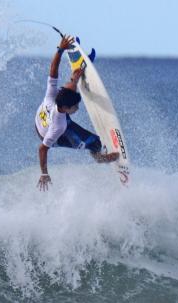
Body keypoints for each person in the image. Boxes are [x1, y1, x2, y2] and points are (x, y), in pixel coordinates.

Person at [35, 35, 119, 191]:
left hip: (44, 117)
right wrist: (44, 173)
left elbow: (53, 71)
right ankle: (100, 157)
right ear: (66, 109)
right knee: (95, 143)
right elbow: (42, 148)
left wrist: (60, 49)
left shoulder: (51, 96)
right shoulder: (59, 127)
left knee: (70, 86)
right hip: (48, 134)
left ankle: (77, 72)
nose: (78, 108)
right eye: (75, 107)